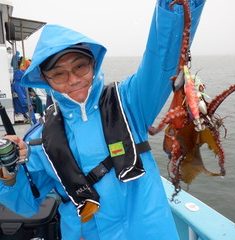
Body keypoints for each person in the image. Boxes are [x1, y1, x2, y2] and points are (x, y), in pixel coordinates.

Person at [0, 0, 205, 239]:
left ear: (93, 64)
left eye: (80, 67)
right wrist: (8, 172)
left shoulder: (130, 102)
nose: (73, 79)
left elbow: (162, 60)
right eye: (58, 74)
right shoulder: (39, 139)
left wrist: (176, 8)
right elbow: (26, 204)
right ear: (45, 81)